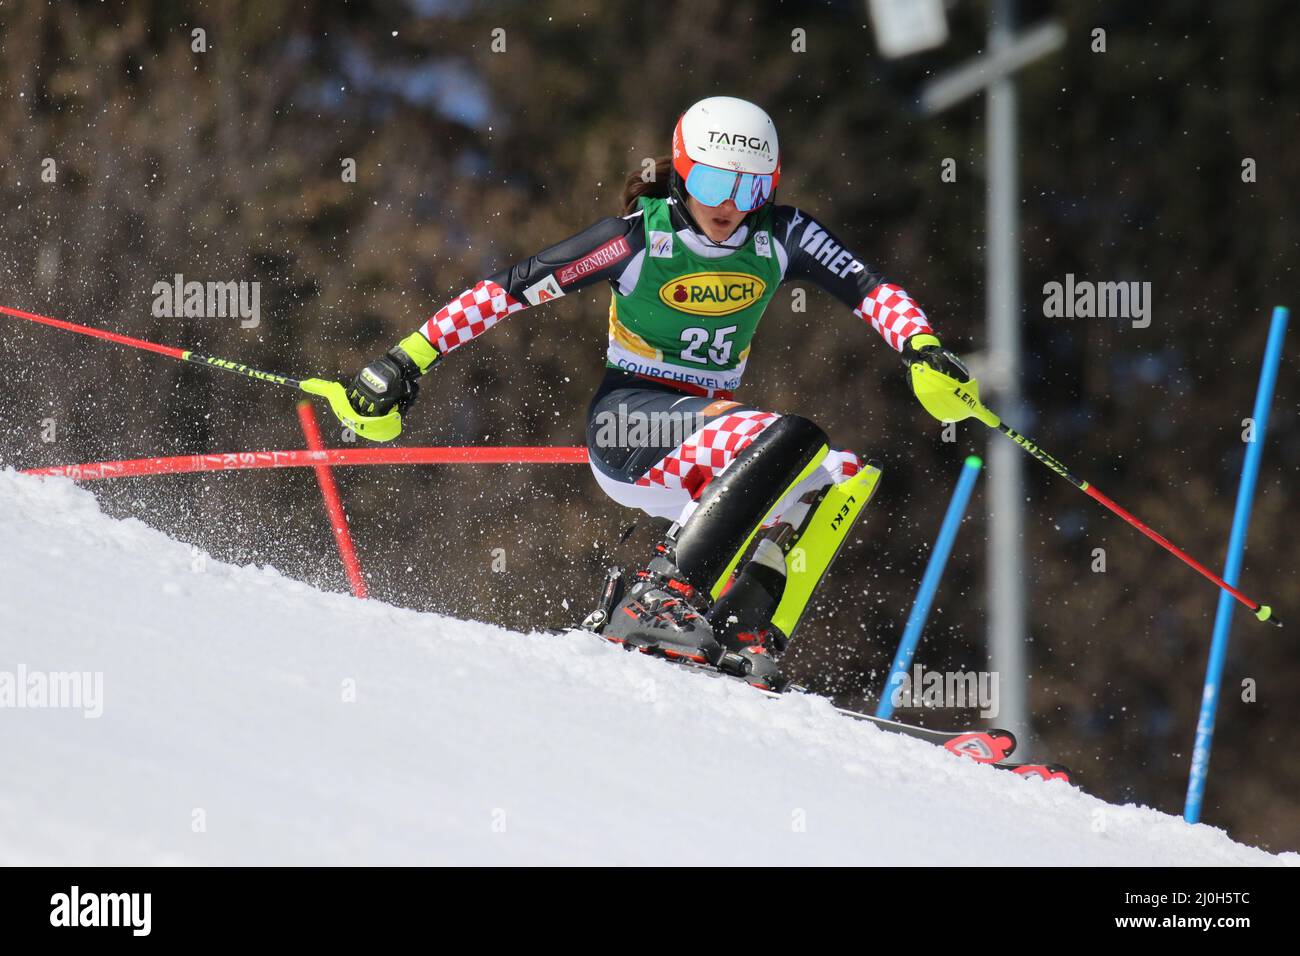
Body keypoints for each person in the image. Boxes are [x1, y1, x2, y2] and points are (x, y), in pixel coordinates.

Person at [336, 96, 975, 690]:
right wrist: (408, 357)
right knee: (796, 437)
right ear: (680, 173)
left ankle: (746, 625)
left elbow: (871, 289)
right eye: (710, 183)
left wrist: (920, 349)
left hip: (705, 446)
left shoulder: (781, 237)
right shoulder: (639, 239)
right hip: (628, 426)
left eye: (749, 187)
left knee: (838, 475)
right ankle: (659, 594)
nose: (729, 205)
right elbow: (512, 288)